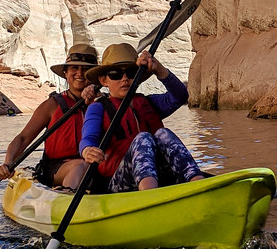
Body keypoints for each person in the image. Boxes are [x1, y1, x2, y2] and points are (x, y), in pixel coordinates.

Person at [79, 43, 204, 193]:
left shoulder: (149, 103)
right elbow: (88, 138)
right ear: (104, 81)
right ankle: (149, 194)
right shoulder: (98, 107)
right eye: (115, 74)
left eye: (131, 73)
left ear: (137, 77)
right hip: (119, 183)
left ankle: (197, 182)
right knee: (143, 137)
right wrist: (87, 150)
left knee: (163, 133)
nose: (124, 79)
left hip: (158, 174)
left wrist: (160, 70)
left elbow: (180, 96)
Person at [0, 43, 98, 189]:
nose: (80, 73)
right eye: (75, 68)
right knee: (80, 166)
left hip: (96, 164)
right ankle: (68, 198)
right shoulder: (52, 105)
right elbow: (23, 138)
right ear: (65, 73)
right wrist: (8, 163)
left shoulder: (104, 103)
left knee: (89, 165)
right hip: (57, 167)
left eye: (86, 69)